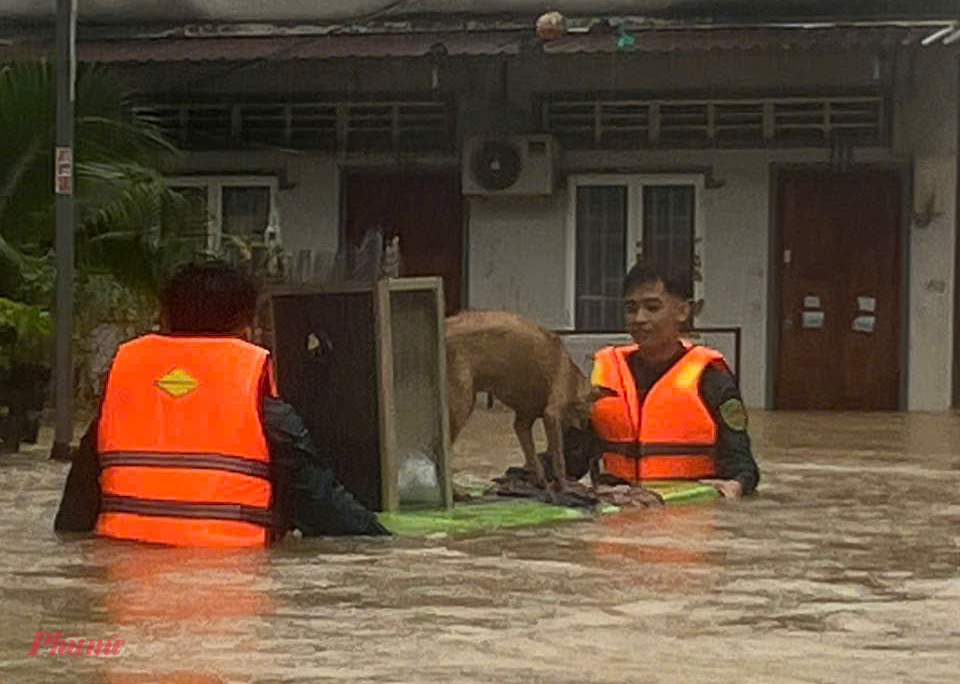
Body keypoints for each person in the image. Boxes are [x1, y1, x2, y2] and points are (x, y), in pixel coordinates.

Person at [54, 261, 390, 545]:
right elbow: (327, 509)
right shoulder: (268, 412)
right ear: (247, 328)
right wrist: (399, 547)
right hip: (233, 586)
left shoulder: (120, 399)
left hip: (123, 577)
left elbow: (73, 518)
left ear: (165, 320)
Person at [568, 259, 760, 499]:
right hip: (617, 508)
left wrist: (736, 486)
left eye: (652, 307)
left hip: (689, 514)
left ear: (683, 311)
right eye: (631, 309)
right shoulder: (603, 375)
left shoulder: (712, 378)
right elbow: (571, 459)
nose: (639, 318)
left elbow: (743, 467)